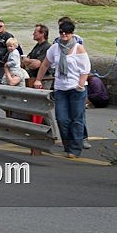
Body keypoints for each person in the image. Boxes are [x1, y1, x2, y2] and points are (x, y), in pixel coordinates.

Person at [32, 20, 90, 158]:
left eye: (67, 33)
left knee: (76, 119)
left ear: (72, 33)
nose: (64, 35)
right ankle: (68, 145)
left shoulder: (78, 48)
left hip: (76, 89)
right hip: (60, 88)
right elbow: (45, 65)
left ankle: (75, 149)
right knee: (62, 119)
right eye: (61, 32)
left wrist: (80, 86)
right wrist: (38, 79)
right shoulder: (54, 48)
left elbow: (85, 70)